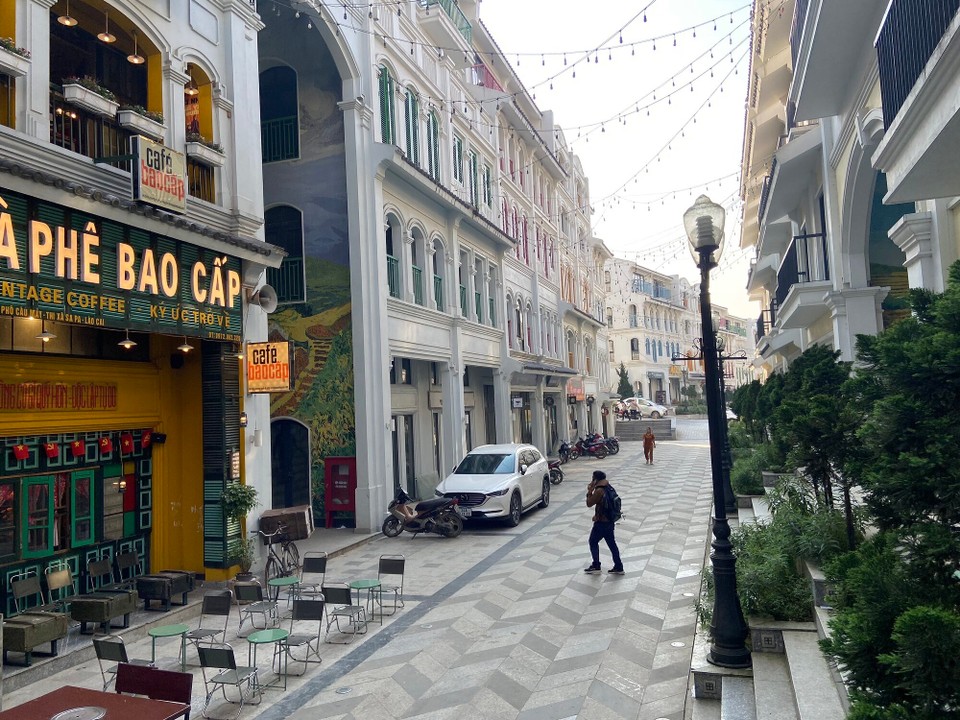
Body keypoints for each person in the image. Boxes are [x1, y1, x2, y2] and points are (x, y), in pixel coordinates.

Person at [584, 470, 623, 575]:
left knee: (592, 541)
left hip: (601, 523)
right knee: (612, 544)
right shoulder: (609, 487)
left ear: (596, 479)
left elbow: (589, 503)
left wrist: (589, 491)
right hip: (609, 521)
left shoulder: (599, 490)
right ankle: (619, 566)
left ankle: (596, 565)